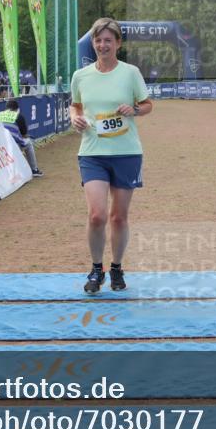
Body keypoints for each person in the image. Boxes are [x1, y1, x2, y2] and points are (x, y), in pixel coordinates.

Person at [70, 17, 153, 294]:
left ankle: (116, 267)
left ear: (118, 43)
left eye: (108, 40)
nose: (102, 45)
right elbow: (75, 106)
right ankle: (97, 268)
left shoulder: (130, 73)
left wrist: (135, 110)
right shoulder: (80, 76)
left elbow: (147, 104)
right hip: (92, 152)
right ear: (92, 43)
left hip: (126, 153)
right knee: (97, 215)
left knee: (119, 217)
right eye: (98, 40)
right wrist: (75, 119)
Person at [0, 99, 43, 177]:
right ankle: (34, 170)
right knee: (29, 143)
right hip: (12, 145)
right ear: (16, 109)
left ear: (6, 108)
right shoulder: (18, 116)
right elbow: (24, 134)